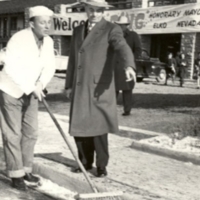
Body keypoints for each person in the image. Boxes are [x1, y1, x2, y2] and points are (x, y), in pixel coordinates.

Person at [64, 0, 136, 177]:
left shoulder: (112, 29)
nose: (94, 13)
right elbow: (73, 60)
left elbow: (122, 47)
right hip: (80, 86)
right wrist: (68, 85)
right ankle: (85, 163)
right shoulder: (78, 30)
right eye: (91, 9)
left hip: (99, 87)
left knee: (98, 128)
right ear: (86, 10)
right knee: (80, 127)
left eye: (99, 10)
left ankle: (101, 165)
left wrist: (129, 66)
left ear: (104, 11)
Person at [0, 6, 55, 191]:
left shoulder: (48, 41)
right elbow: (10, 68)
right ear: (32, 23)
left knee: (31, 132)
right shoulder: (19, 39)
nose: (46, 26)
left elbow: (49, 67)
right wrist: (32, 87)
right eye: (42, 22)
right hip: (11, 90)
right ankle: (16, 174)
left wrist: (40, 84)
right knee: (12, 134)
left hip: (31, 92)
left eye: (49, 22)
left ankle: (26, 169)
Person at [114, 16, 141, 116]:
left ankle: (127, 110)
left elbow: (138, 50)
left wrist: (129, 61)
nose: (121, 27)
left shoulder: (133, 35)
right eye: (119, 25)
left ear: (126, 25)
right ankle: (111, 110)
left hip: (128, 67)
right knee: (113, 90)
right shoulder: (115, 36)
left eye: (122, 25)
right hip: (115, 67)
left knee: (127, 90)